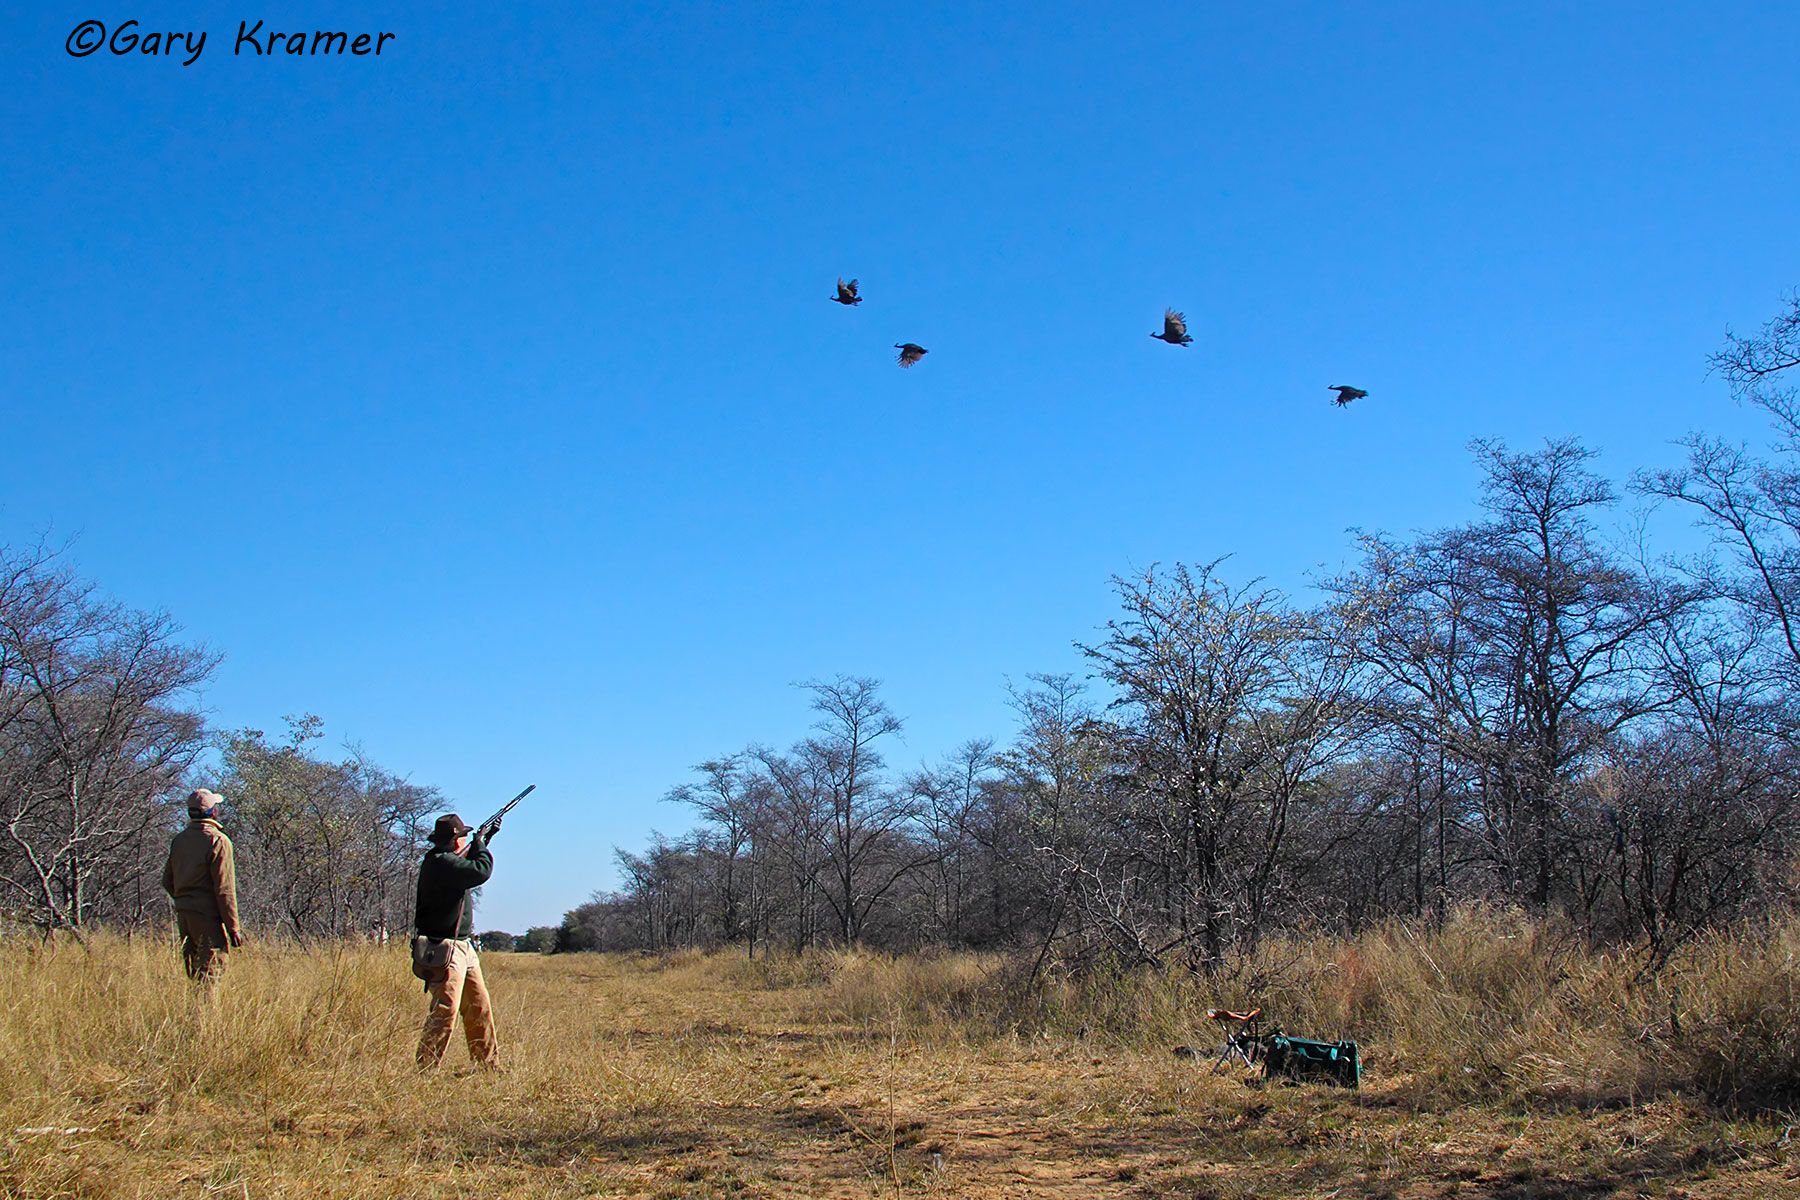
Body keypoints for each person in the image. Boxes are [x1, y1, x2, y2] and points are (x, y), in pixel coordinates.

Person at [414, 812, 501, 1069]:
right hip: (445, 948)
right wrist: (482, 845)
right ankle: (426, 1067)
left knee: (478, 1006)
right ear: (455, 841)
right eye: (462, 837)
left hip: (463, 947)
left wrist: (483, 841)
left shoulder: (445, 861)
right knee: (446, 1010)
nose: (464, 841)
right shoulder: (441, 863)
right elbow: (480, 871)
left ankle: (486, 1064)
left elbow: (467, 868)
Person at [161, 787, 244, 988]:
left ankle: (193, 1017)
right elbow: (224, 889)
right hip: (207, 918)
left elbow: (167, 881)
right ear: (212, 812)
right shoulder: (218, 841)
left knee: (194, 973)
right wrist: (233, 927)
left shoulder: (179, 840)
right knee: (210, 975)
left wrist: (185, 901)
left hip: (184, 915)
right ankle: (206, 1020)